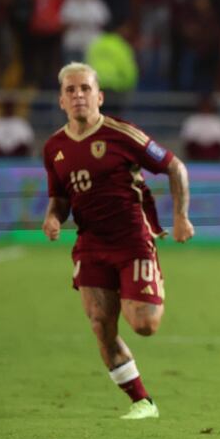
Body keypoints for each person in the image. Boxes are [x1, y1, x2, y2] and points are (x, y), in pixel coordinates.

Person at [41, 61, 194, 419]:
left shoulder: (122, 134)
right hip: (91, 244)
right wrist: (51, 217)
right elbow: (60, 198)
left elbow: (174, 166)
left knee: (144, 325)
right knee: (100, 323)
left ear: (100, 96)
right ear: (61, 100)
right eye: (70, 90)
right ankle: (142, 401)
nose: (78, 95)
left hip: (133, 241)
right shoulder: (54, 148)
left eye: (85, 89)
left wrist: (180, 216)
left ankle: (148, 278)